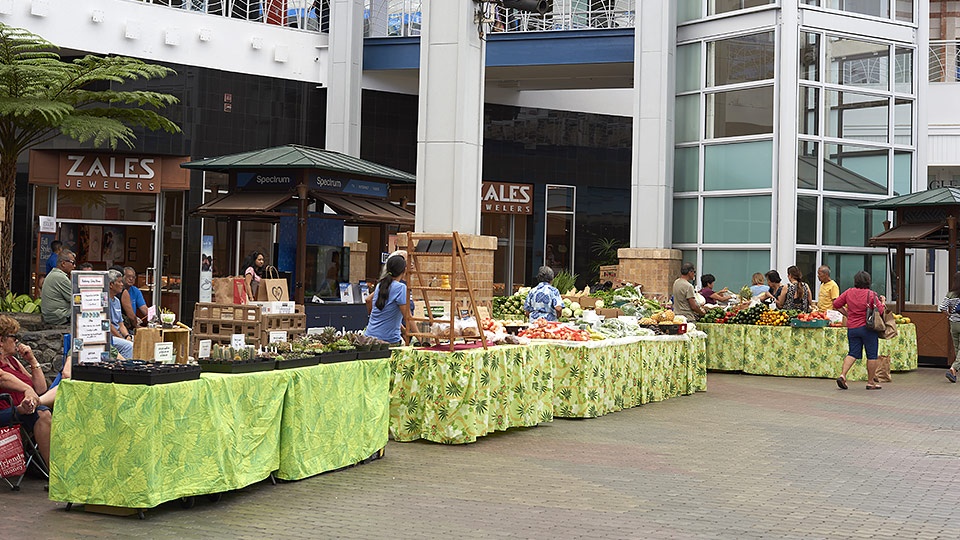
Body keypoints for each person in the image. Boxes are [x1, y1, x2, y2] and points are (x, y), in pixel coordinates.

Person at [0, 315, 52, 467]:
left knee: (58, 397)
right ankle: (54, 472)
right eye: (13, 337)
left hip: (25, 408)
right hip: (5, 410)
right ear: (1, 340)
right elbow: (3, 377)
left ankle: (33, 403)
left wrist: (32, 361)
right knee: (43, 414)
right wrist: (27, 390)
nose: (17, 341)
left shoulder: (13, 361)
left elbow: (40, 388)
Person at [833, 270, 885, 390]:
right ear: (868, 281)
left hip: (852, 328)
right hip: (868, 328)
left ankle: (843, 375)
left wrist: (847, 313)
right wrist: (883, 301)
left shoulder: (849, 292)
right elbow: (881, 311)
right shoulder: (871, 294)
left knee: (852, 353)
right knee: (872, 355)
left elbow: (836, 304)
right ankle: (870, 382)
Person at [364, 255, 413, 345]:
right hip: (388, 340)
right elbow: (407, 316)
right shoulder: (401, 288)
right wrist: (419, 337)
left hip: (369, 336)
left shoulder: (381, 284)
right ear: (405, 270)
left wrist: (373, 317)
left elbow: (368, 300)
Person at [40, 248, 76, 326]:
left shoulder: (54, 274)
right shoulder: (60, 277)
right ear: (63, 263)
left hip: (52, 315)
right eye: (72, 263)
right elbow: (76, 299)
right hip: (59, 316)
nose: (74, 266)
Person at [107, 269, 134, 359]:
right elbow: (109, 325)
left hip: (120, 335)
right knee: (128, 346)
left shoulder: (117, 301)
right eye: (119, 282)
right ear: (111, 284)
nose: (122, 284)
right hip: (110, 337)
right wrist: (122, 338)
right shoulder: (104, 301)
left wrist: (127, 336)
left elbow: (120, 324)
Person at [938, 272, 960, 383]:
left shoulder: (950, 294)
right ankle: (954, 368)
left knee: (957, 348)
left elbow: (942, 307)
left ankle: (954, 373)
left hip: (954, 324)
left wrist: (949, 315)